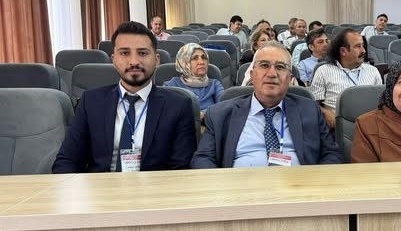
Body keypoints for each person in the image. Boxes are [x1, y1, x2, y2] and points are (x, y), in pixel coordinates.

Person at [52, 21, 197, 173]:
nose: (134, 61)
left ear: (156, 60)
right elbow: (68, 160)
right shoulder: (91, 102)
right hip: (100, 186)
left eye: (142, 53)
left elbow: (181, 169)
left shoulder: (178, 106)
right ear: (113, 60)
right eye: (125, 53)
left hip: (155, 187)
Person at [190, 41, 343, 168]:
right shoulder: (220, 114)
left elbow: (331, 154)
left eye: (280, 67)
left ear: (290, 78)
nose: (272, 74)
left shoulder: (309, 110)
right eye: (264, 65)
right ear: (252, 75)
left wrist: (314, 185)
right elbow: (202, 158)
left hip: (298, 189)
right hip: (240, 190)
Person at [309, 28, 383, 129]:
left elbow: (382, 104)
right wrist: (324, 112)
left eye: (363, 46)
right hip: (336, 129)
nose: (363, 50)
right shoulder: (323, 71)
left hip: (370, 128)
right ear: (343, 51)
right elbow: (313, 104)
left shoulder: (373, 71)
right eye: (358, 46)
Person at [163, 43, 224, 112]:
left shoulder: (215, 84)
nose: (201, 62)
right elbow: (167, 111)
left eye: (204, 57)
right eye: (194, 58)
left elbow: (223, 106)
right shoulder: (171, 85)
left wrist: (204, 113)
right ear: (184, 62)